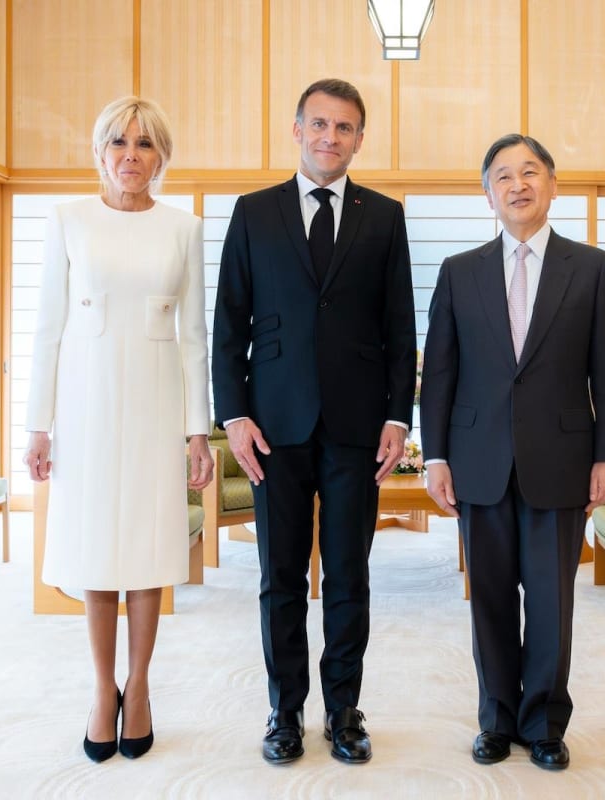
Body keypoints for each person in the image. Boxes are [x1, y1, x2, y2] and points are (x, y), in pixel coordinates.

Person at [211, 78, 416, 766]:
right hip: (274, 425)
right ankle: (285, 710)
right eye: (320, 124)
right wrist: (234, 416)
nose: (332, 137)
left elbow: (399, 326)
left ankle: (344, 710)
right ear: (297, 129)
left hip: (358, 424)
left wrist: (398, 415)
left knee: (349, 574)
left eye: (345, 127)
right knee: (280, 577)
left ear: (359, 139)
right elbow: (229, 322)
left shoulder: (384, 216)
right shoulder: (254, 211)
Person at [420, 134, 605, 770]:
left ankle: (543, 724)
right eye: (504, 176)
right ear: (488, 194)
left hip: (561, 460)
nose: (518, 185)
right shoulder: (459, 270)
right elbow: (440, 373)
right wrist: (436, 456)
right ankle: (496, 719)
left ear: (552, 185)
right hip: (478, 459)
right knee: (488, 600)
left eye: (530, 172)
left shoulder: (593, 267)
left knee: (550, 601)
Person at [23, 96, 213, 763]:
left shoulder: (184, 228)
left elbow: (194, 337)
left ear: (162, 157)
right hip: (86, 406)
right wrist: (38, 425)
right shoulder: (68, 220)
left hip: (157, 405)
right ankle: (102, 689)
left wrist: (197, 431)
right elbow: (47, 329)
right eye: (119, 142)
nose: (131, 156)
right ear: (100, 152)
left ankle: (141, 684)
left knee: (147, 548)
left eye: (145, 144)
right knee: (97, 548)